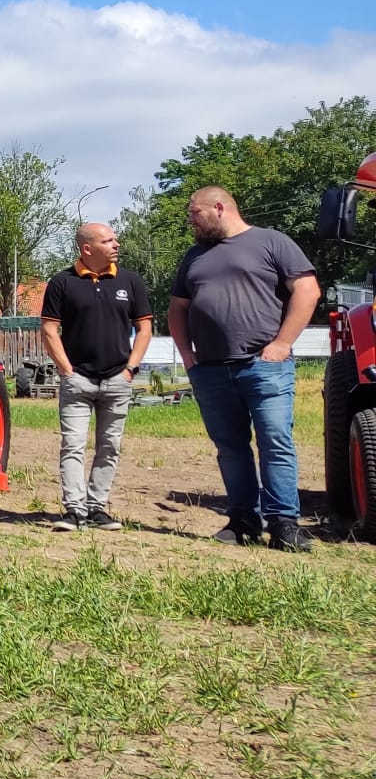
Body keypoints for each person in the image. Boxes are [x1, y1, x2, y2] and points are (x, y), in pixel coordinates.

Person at [168, 186, 321, 552]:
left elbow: (307, 291)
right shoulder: (194, 256)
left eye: (195, 212)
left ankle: (284, 524)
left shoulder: (272, 242)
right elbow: (177, 309)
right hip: (211, 369)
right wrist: (188, 356)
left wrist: (282, 343)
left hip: (263, 366)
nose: (191, 220)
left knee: (275, 442)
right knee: (230, 448)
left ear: (219, 208)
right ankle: (242, 521)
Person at [40, 222, 153, 531]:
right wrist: (66, 370)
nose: (116, 244)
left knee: (109, 446)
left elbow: (144, 328)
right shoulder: (62, 282)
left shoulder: (130, 281)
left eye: (115, 238)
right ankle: (74, 511)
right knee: (73, 445)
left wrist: (130, 368)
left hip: (118, 379)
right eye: (108, 240)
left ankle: (97, 508)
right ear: (87, 248)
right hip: (78, 380)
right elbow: (49, 329)